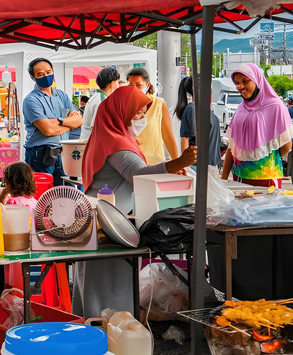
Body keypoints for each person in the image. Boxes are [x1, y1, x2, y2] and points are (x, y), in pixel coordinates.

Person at [77, 86, 196, 318]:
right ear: (121, 111)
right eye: (138, 112)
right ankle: (111, 330)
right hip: (109, 224)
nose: (141, 118)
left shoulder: (112, 135)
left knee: (109, 282)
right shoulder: (113, 141)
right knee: (109, 286)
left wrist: (171, 169)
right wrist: (175, 163)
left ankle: (109, 328)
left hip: (108, 221)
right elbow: (137, 173)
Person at [221, 63, 293, 187]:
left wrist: (264, 154)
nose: (241, 86)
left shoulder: (275, 106)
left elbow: (286, 146)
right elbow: (231, 148)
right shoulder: (241, 109)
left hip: (266, 180)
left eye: (245, 81)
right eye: (237, 83)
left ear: (257, 80)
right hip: (238, 178)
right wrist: (223, 179)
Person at [22, 58, 82, 186]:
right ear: (33, 77)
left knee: (68, 193)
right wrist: (68, 124)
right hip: (40, 154)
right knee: (42, 194)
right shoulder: (31, 100)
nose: (46, 76)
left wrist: (58, 121)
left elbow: (79, 120)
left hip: (64, 152)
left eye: (49, 72)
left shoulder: (62, 96)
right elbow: (47, 130)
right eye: (40, 74)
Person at [127, 67, 179, 164]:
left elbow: (168, 136)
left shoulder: (159, 104)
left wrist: (177, 163)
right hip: (133, 162)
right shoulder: (124, 105)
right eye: (130, 85)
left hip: (155, 161)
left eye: (138, 85)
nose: (134, 89)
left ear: (147, 85)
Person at [175, 76, 221, 167]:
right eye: (209, 86)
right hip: (199, 167)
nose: (211, 90)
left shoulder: (204, 110)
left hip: (211, 166)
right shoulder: (191, 109)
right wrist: (185, 165)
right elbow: (185, 139)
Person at [80, 68, 121, 140]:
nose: (118, 85)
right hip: (93, 142)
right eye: (117, 82)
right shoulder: (102, 100)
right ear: (112, 83)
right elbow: (99, 127)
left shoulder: (98, 97)